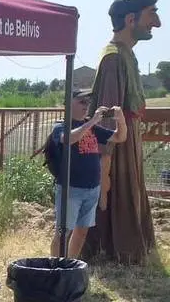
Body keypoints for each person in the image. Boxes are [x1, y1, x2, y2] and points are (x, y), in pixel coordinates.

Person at [83, 0, 161, 264]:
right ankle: (112, 250)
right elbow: (106, 118)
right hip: (118, 146)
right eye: (152, 14)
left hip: (128, 139)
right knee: (114, 192)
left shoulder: (125, 54)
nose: (158, 22)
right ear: (131, 19)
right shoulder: (114, 58)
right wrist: (105, 162)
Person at [48, 90, 126, 259]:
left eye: (88, 102)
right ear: (68, 105)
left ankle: (71, 266)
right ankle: (55, 267)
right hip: (70, 189)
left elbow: (120, 137)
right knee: (62, 232)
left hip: (92, 189)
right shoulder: (61, 126)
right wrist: (92, 121)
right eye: (82, 102)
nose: (86, 106)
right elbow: (68, 139)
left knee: (81, 231)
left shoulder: (92, 127)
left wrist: (121, 119)